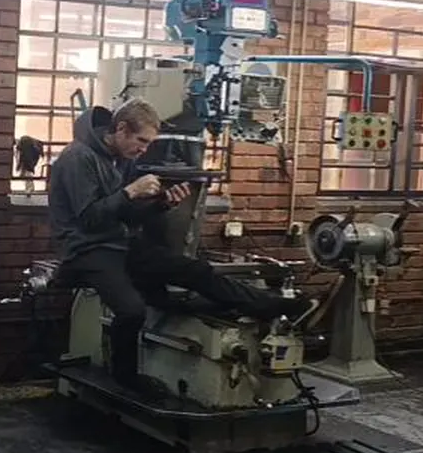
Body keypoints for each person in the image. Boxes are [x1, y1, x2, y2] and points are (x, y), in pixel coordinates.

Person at [48, 99, 313, 389]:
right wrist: (130, 191)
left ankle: (268, 306)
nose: (143, 150)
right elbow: (89, 218)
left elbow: (125, 215)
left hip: (118, 243)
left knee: (194, 270)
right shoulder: (78, 157)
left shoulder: (119, 158)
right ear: (121, 129)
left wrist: (162, 203)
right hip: (86, 249)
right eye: (141, 141)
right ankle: (125, 378)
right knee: (132, 311)